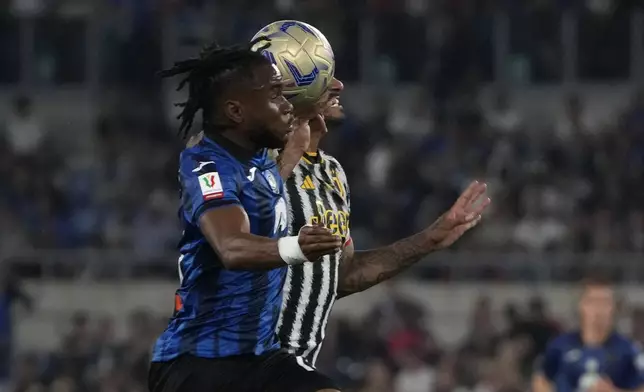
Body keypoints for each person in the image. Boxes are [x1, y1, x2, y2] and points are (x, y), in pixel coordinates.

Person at [273, 28, 490, 369]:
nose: (339, 86)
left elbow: (342, 276)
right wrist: (288, 155)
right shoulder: (257, 163)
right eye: (324, 76)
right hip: (246, 363)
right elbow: (229, 247)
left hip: (297, 364)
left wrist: (429, 239)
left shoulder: (332, 173)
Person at [148, 38, 344, 392]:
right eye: (274, 95)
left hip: (259, 358)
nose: (286, 106)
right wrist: (296, 248)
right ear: (236, 112)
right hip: (198, 364)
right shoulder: (207, 166)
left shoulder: (256, 156)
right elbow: (231, 247)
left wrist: (294, 151)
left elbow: (259, 191)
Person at [532, 277, 644, 392]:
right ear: (581, 306)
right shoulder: (560, 346)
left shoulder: (629, 350)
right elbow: (541, 379)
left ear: (614, 308)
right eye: (592, 301)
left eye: (605, 302)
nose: (598, 309)